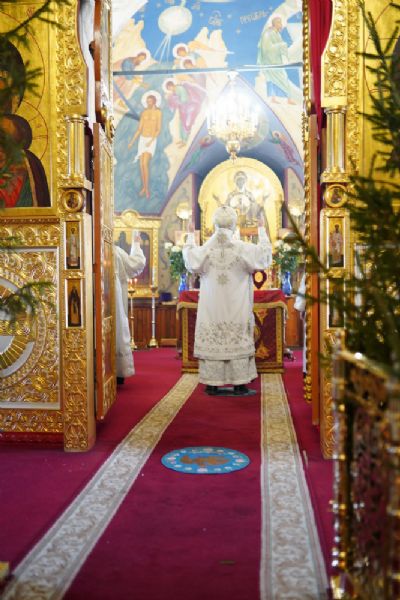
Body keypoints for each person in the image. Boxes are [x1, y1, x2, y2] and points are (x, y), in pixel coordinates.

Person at [182, 205, 272, 396]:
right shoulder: (242, 248)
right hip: (236, 307)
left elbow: (190, 260)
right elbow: (264, 257)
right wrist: (262, 230)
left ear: (215, 224)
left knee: (214, 338)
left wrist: (190, 235)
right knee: (236, 337)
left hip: (212, 307)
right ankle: (239, 385)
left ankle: (212, 384)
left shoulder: (206, 249)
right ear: (233, 225)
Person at [115, 230, 146, 384]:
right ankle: (118, 371)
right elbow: (136, 264)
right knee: (116, 328)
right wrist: (136, 244)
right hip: (113, 302)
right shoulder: (114, 251)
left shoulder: (83, 248)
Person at [127, 91, 162, 199]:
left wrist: (151, 141)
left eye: (150, 101)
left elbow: (158, 129)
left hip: (151, 140)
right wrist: (132, 142)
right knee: (141, 164)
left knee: (145, 163)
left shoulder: (158, 113)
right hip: (142, 139)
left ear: (154, 102)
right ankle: (144, 187)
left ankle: (147, 189)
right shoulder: (144, 113)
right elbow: (139, 129)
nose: (148, 103)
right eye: (147, 102)